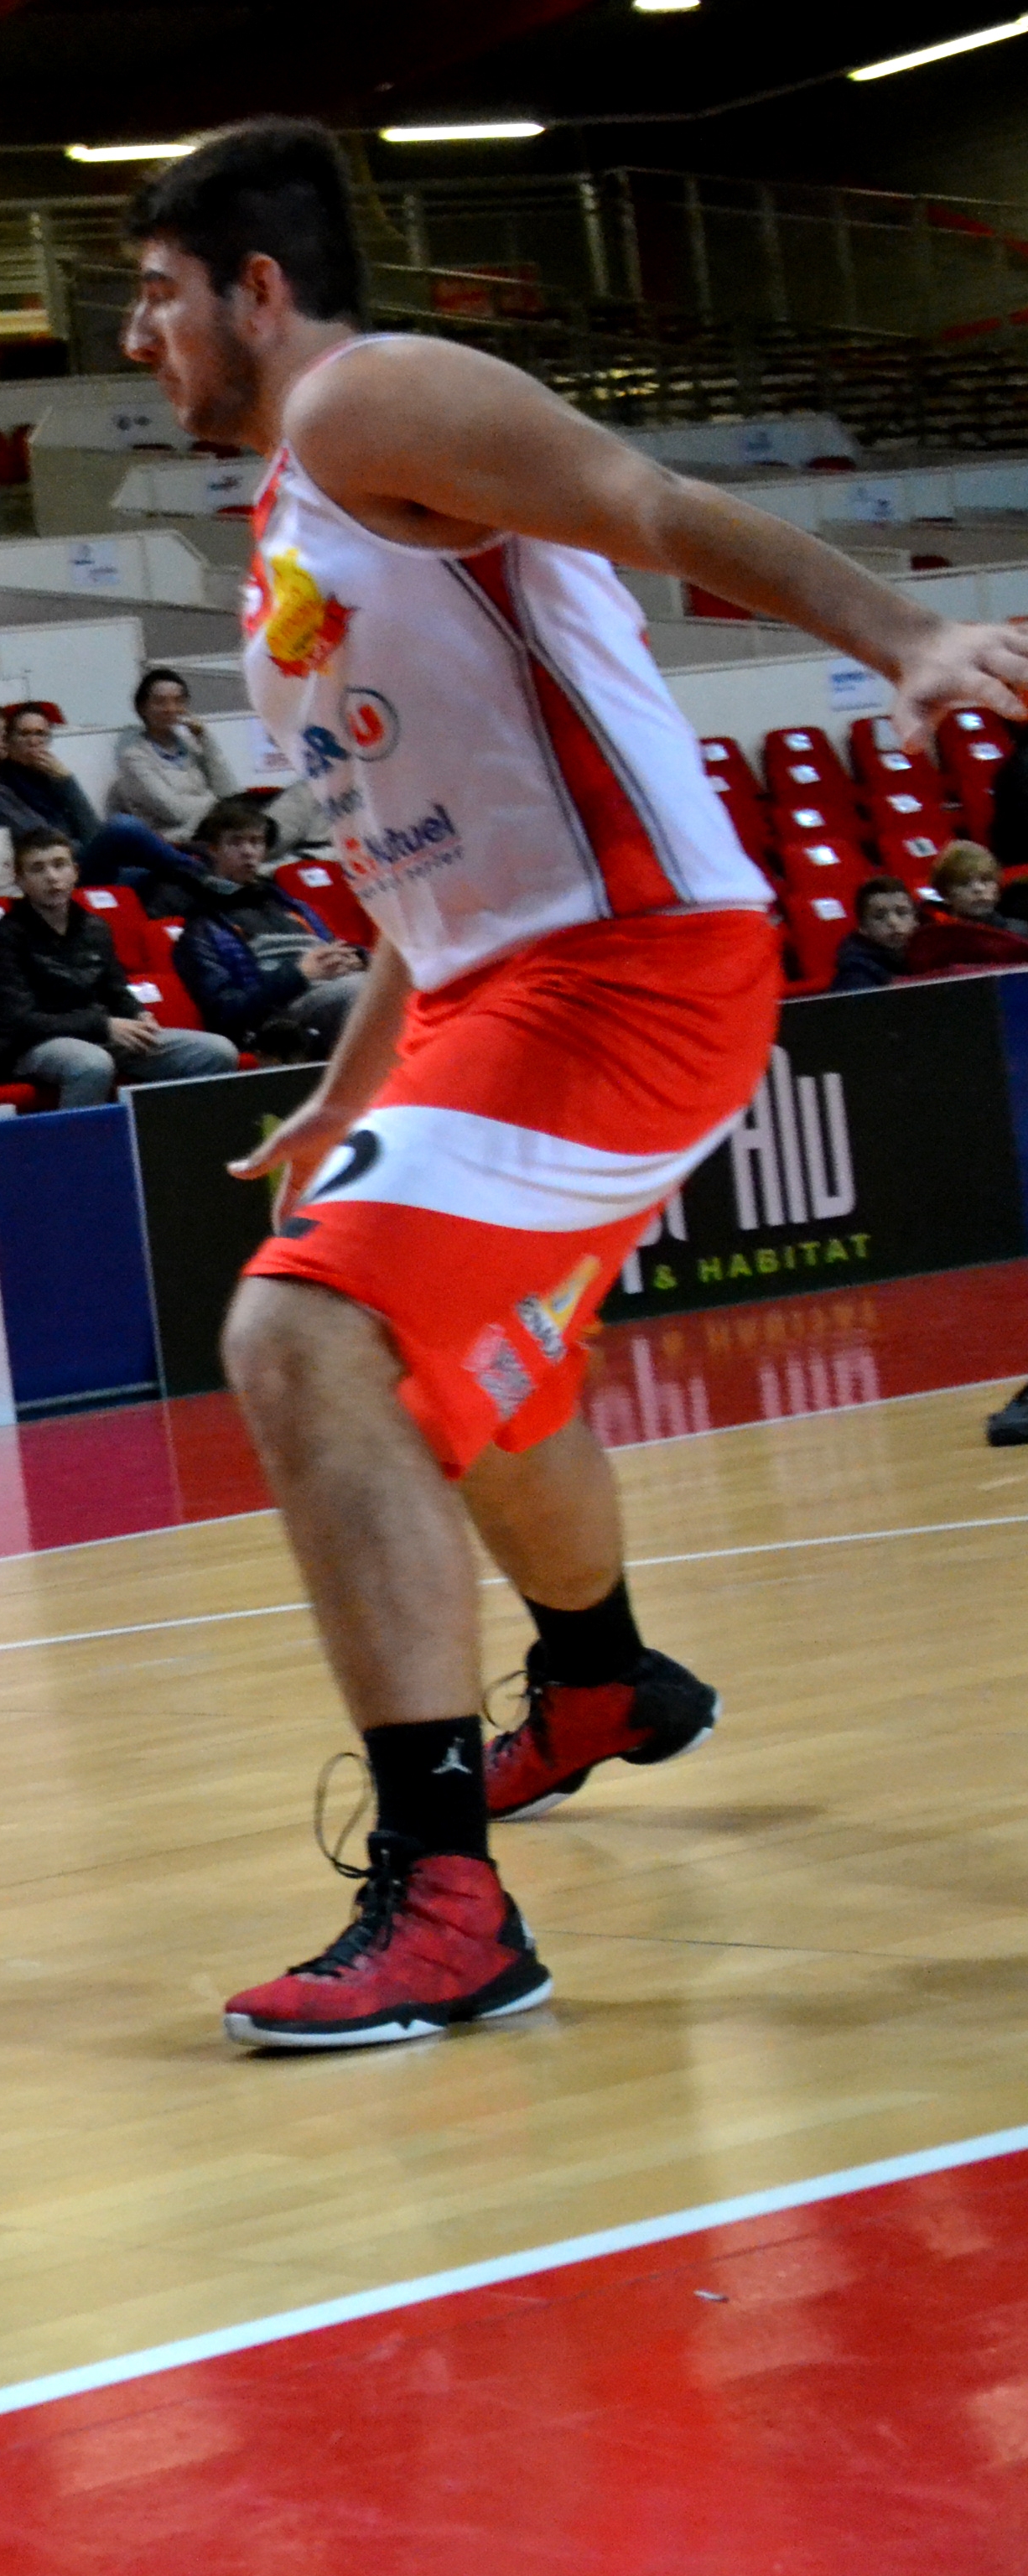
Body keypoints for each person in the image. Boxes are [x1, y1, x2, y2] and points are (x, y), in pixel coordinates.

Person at [122, 119, 1028, 2050]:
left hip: (628, 968)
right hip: (493, 981)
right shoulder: (303, 500)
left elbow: (651, 495)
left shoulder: (378, 394)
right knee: (424, 1329)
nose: (137, 335)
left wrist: (906, 633)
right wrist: (345, 1082)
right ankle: (602, 1678)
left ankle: (444, 1895)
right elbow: (412, 862)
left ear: (254, 290)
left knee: (301, 1336)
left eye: (154, 293)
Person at [0, 831, 239, 1105]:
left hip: (101, 1032)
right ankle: (82, 1147)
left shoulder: (95, 927)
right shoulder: (4, 937)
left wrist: (138, 1014)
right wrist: (102, 1025)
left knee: (218, 1052)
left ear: (75, 872)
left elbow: (115, 990)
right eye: (37, 869)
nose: (52, 877)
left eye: (59, 865)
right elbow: (18, 1020)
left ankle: (173, 1139)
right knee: (92, 1063)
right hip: (36, 1044)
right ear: (20, 881)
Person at [172, 797, 366, 1058]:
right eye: (236, 842)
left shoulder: (293, 907)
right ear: (213, 850)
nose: (248, 852)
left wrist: (356, 958)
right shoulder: (202, 928)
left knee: (397, 984)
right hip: (279, 1016)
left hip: (334, 987)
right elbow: (226, 1013)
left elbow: (331, 948)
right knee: (360, 993)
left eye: (255, 842)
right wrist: (300, 975)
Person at [0, 702, 220, 915]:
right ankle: (208, 875)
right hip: (55, 875)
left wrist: (65, 782)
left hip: (88, 867)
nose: (34, 741)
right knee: (123, 825)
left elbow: (90, 830)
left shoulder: (53, 779)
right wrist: (68, 785)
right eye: (24, 734)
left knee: (161, 878)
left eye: (41, 734)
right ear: (8, 741)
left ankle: (213, 887)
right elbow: (49, 846)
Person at [110, 667, 245, 840]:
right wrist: (218, 804)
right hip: (179, 841)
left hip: (220, 832)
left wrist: (205, 738)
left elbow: (229, 792)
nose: (170, 708)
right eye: (160, 702)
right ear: (142, 707)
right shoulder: (133, 758)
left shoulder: (189, 746)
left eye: (178, 701)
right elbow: (175, 812)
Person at [913, 842, 1028, 974]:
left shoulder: (1022, 933)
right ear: (945, 892)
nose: (978, 889)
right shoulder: (936, 944)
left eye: (985, 880)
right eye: (964, 883)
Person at [828, 875, 917, 990]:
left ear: (916, 919)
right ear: (863, 927)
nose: (893, 922)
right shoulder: (855, 974)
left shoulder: (930, 958)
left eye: (902, 913)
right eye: (879, 916)